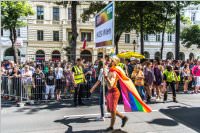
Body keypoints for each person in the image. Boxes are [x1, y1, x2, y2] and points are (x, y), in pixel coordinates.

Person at [104, 56, 128, 131]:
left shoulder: (114, 72)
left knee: (112, 111)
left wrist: (106, 77)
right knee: (108, 109)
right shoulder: (110, 70)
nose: (108, 61)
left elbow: (111, 84)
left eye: (110, 60)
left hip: (114, 92)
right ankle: (123, 117)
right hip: (109, 92)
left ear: (114, 62)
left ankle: (111, 127)